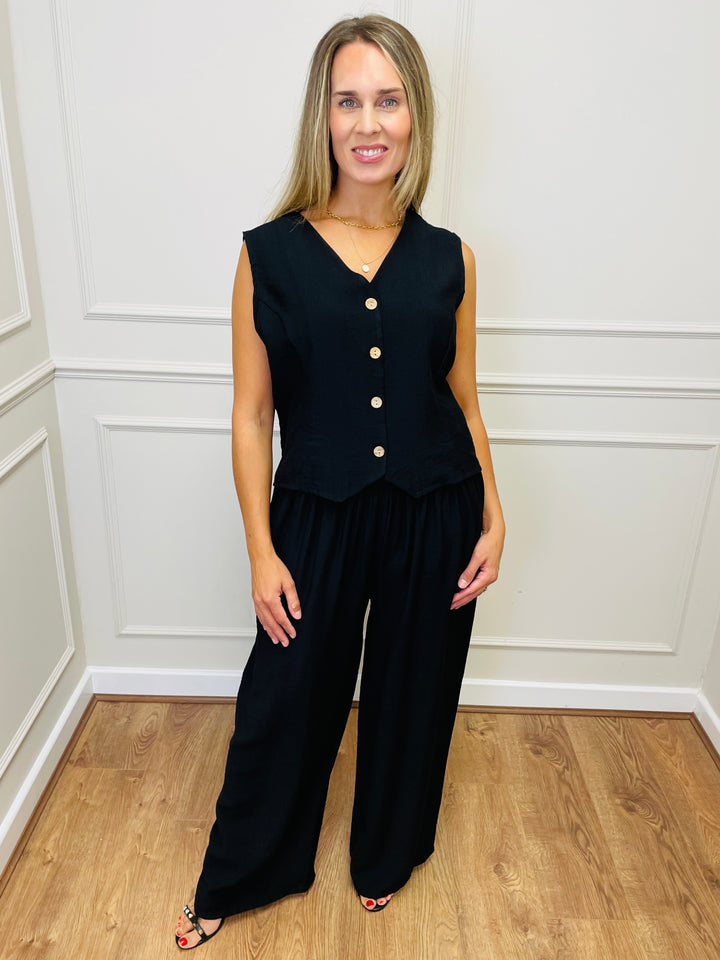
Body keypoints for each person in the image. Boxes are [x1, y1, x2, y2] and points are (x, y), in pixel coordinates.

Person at [174, 13, 504, 950]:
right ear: (322, 117)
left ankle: (386, 853)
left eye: (388, 100)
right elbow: (252, 416)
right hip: (315, 514)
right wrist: (261, 550)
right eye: (348, 100)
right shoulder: (267, 255)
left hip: (438, 509)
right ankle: (245, 871)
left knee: (415, 693)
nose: (369, 123)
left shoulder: (451, 258)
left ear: (415, 115)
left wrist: (493, 512)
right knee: (286, 698)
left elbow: (465, 400)